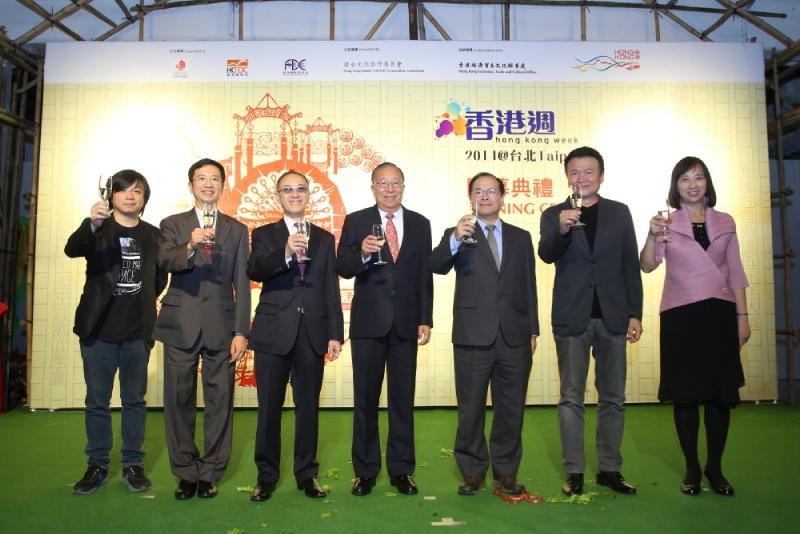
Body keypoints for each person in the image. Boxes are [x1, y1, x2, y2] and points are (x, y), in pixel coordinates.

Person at [640, 156, 749, 497]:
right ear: (675, 186)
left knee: (719, 398)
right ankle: (691, 468)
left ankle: (715, 468)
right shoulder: (667, 224)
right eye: (685, 179)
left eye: (698, 177)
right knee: (685, 397)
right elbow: (646, 265)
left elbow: (736, 271)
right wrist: (650, 233)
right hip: (680, 316)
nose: (692, 184)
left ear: (707, 183)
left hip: (719, 315)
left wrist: (742, 318)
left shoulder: (726, 221)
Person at [538, 146, 643, 496]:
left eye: (589, 172)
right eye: (575, 172)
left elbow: (630, 264)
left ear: (601, 174)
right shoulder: (555, 213)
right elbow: (547, 253)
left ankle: (610, 469)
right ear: (567, 176)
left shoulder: (620, 212)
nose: (582, 178)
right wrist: (562, 229)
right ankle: (575, 471)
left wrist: (635, 312)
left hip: (613, 316)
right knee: (571, 397)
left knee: (613, 397)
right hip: (572, 317)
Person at [429, 172, 539, 497]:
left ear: (503, 196)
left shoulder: (521, 237)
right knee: (471, 408)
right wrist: (454, 240)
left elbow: (529, 285)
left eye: (492, 190)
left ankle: (506, 472)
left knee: (511, 408)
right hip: (472, 335)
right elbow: (435, 264)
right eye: (479, 191)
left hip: (514, 336)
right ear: (471, 198)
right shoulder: (460, 233)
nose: (486, 196)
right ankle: (472, 471)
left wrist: (532, 328)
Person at [154, 158, 251, 500]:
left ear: (223, 186)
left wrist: (241, 331)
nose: (208, 184)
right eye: (201, 178)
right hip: (180, 324)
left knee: (220, 400)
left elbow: (241, 280)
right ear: (191, 184)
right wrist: (191, 246)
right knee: (178, 399)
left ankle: (210, 472)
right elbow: (165, 261)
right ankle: (185, 472)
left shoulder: (237, 230)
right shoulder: (172, 224)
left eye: (215, 179)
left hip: (222, 327)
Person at [65, 170, 167, 495]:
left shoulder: (153, 235)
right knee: (97, 401)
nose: (130, 196)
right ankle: (96, 465)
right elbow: (72, 248)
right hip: (98, 332)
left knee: (134, 401)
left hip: (138, 333)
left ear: (144, 198)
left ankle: (132, 464)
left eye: (137, 191)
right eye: (123, 191)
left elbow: (159, 278)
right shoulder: (99, 229)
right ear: (112, 196)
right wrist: (91, 223)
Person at [336, 162, 433, 496]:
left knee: (402, 400)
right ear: (373, 187)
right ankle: (365, 471)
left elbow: (424, 275)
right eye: (383, 183)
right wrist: (361, 253)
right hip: (368, 324)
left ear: (403, 187)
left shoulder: (421, 223)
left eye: (396, 183)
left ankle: (402, 470)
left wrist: (425, 317)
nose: (390, 189)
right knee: (365, 400)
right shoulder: (357, 220)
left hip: (406, 323)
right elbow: (342, 267)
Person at [246, 170, 344, 502]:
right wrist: (286, 251)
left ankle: (307, 474)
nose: (294, 194)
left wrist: (335, 333)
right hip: (274, 332)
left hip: (312, 334)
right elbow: (255, 270)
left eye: (300, 189)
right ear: (278, 196)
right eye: (287, 190)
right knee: (268, 408)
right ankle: (266, 476)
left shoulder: (325, 238)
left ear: (308, 194)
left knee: (308, 409)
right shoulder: (263, 234)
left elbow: (330, 287)